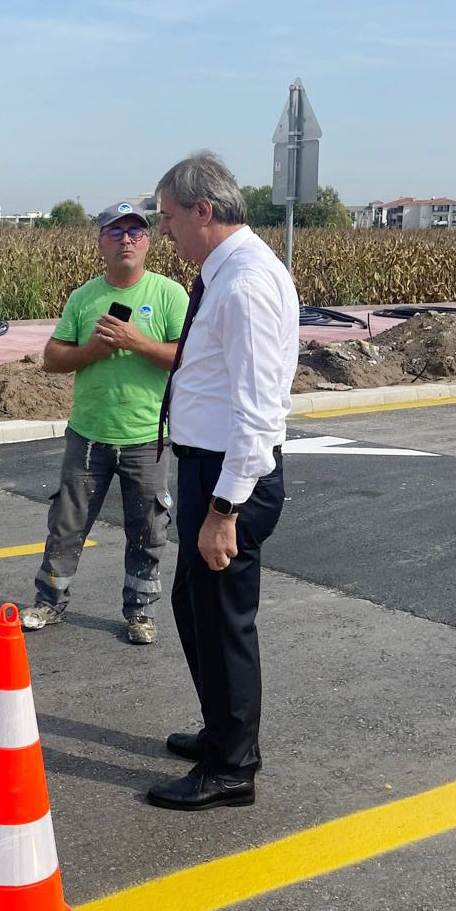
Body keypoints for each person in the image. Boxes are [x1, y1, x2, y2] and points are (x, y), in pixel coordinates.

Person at [147, 151, 298, 811]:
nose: (164, 233)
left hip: (229, 480)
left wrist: (224, 509)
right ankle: (220, 730)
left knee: (224, 620)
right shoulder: (226, 272)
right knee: (194, 606)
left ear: (202, 211)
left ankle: (234, 765)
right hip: (208, 468)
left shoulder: (245, 283)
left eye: (169, 218)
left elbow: (260, 410)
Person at [19, 203, 189, 644]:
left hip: (147, 437)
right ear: (100, 243)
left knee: (149, 529)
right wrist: (90, 352)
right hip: (89, 435)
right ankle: (49, 601)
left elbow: (187, 356)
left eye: (136, 232)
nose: (127, 240)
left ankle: (141, 612)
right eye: (116, 233)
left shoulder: (170, 295)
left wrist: (136, 341)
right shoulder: (84, 298)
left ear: (148, 242)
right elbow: (52, 359)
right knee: (67, 523)